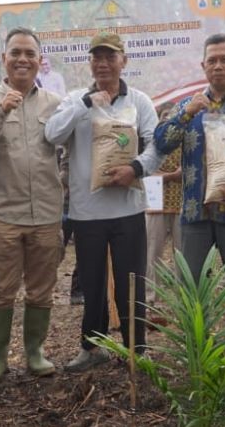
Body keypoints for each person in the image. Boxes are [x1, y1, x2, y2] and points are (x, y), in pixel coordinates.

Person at [44, 31, 162, 370]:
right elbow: (52, 135)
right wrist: (84, 105)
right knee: (92, 284)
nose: (103, 63)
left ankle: (136, 350)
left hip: (128, 208)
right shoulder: (75, 99)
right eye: (97, 57)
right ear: (90, 62)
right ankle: (91, 348)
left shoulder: (139, 101)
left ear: (124, 61)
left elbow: (155, 144)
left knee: (131, 282)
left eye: (110, 56)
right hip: (87, 211)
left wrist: (136, 168)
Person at [0, 28, 65, 382]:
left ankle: (35, 352)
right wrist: (0, 110)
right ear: (3, 59)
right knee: (0, 288)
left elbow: (66, 150)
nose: (22, 59)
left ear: (40, 61)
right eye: (15, 53)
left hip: (46, 212)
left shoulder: (55, 104)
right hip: (3, 213)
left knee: (42, 287)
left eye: (30, 54)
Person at [154, 34, 225, 322]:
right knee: (192, 290)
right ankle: (197, 357)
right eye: (212, 61)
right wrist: (186, 115)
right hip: (195, 213)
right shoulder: (187, 106)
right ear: (203, 65)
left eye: (224, 60)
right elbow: (161, 143)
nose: (218, 66)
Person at [145, 107, 182, 305]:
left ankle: (183, 297)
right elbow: (145, 173)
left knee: (182, 254)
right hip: (154, 203)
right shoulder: (152, 144)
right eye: (166, 119)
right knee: (153, 251)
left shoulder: (187, 143)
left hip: (182, 203)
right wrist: (172, 176)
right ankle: (151, 296)